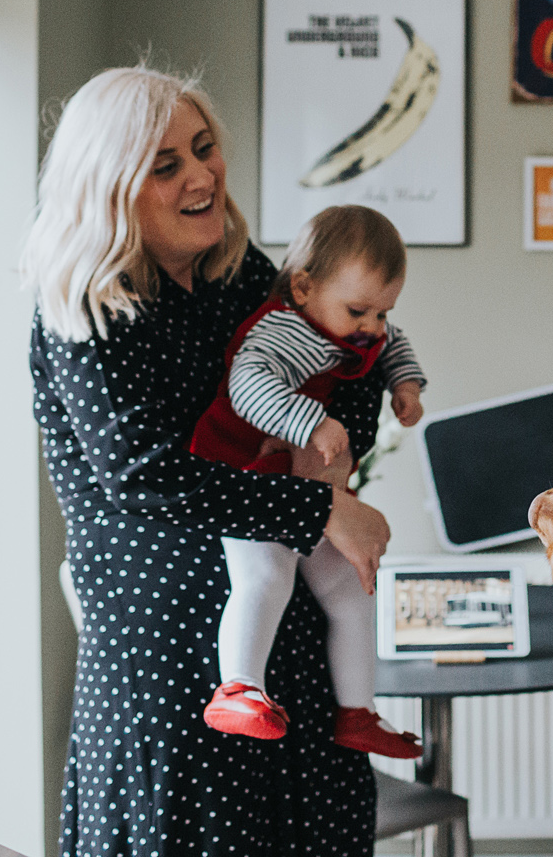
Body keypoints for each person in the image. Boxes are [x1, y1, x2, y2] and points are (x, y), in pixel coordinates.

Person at [24, 65, 393, 857]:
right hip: (168, 672)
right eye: (166, 166)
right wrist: (322, 507)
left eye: (203, 149)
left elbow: (341, 362)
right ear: (110, 187)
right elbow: (143, 473)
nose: (202, 176)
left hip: (290, 657)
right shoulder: (90, 309)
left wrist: (338, 432)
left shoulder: (243, 275)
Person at [189, 205, 426, 758]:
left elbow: (396, 345)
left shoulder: (358, 325)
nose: (372, 328)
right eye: (360, 311)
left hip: (313, 490)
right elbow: (246, 388)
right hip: (251, 480)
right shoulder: (281, 330)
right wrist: (309, 422)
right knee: (265, 577)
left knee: (351, 589)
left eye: (382, 312)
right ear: (302, 287)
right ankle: (238, 688)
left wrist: (406, 385)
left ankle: (356, 712)